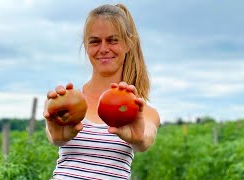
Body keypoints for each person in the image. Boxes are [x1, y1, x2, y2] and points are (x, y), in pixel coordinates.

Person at [43, 3, 160, 180]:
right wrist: (57, 137)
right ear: (87, 46)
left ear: (129, 44)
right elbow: (54, 137)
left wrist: (137, 139)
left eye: (113, 40)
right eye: (95, 41)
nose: (103, 49)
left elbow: (144, 139)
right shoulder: (66, 100)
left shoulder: (141, 110)